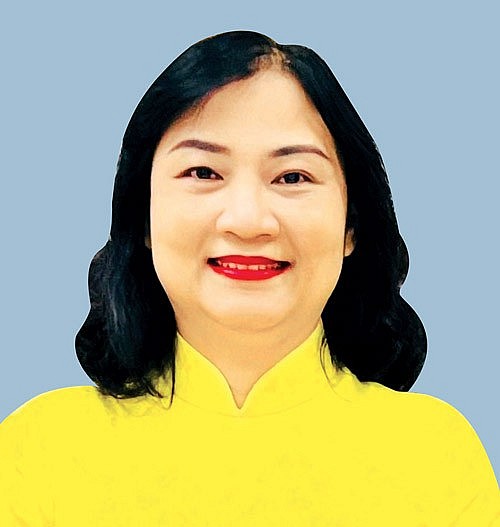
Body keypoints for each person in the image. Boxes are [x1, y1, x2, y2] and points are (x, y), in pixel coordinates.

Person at [1, 30, 498, 526]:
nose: (247, 220)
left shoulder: (435, 458)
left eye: (293, 177)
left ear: (352, 226)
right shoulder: (39, 453)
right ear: (142, 218)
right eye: (203, 172)